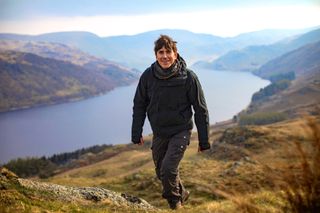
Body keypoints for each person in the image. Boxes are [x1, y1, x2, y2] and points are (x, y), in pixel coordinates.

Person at [131, 34, 210, 210]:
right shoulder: (148, 76)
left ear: (176, 53)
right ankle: (182, 193)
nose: (165, 56)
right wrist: (136, 132)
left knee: (167, 170)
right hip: (160, 132)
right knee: (161, 172)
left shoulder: (188, 77)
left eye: (168, 52)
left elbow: (200, 109)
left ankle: (176, 205)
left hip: (181, 131)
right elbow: (139, 105)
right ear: (155, 54)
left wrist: (204, 141)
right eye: (161, 52)